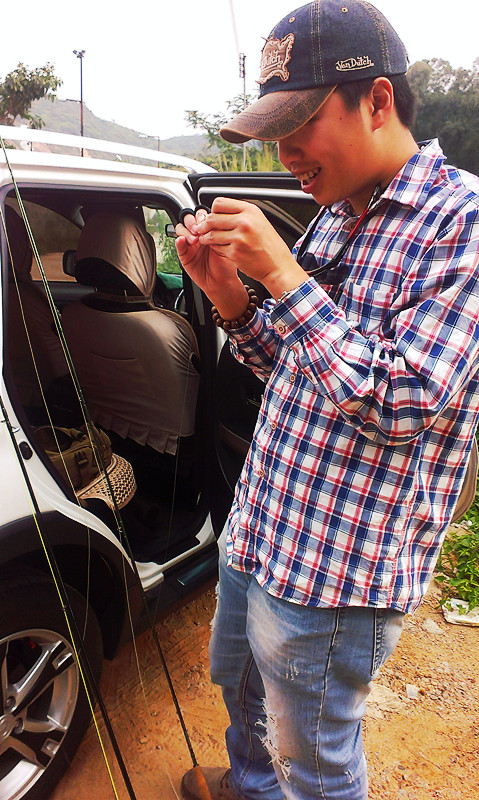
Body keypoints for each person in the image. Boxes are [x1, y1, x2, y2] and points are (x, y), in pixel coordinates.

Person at [175, 2, 479, 799]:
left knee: (314, 759)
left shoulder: (464, 223)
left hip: (336, 575)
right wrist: (231, 299)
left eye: (298, 124)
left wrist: (282, 275)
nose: (284, 155)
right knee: (243, 697)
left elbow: (403, 402)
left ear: (376, 100)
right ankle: (251, 788)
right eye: (273, 132)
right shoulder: (337, 216)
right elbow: (290, 366)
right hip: (262, 529)